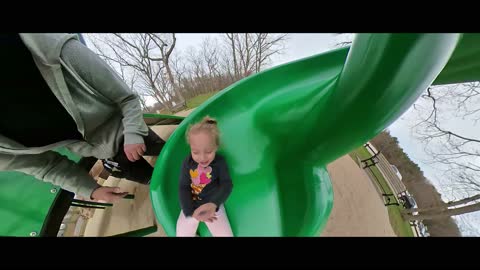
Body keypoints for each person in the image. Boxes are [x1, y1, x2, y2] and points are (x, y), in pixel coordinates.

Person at [0, 33, 165, 203]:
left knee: (178, 155)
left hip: (124, 129)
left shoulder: (56, 49)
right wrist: (91, 190)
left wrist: (133, 132)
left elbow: (126, 98)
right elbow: (46, 166)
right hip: (106, 155)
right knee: (159, 184)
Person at [176, 116, 234, 237]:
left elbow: (226, 184)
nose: (202, 158)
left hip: (213, 206)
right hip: (192, 205)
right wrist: (189, 211)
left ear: (216, 147)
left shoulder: (219, 162)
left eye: (208, 152)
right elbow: (183, 186)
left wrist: (214, 204)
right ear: (191, 148)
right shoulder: (187, 163)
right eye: (195, 152)